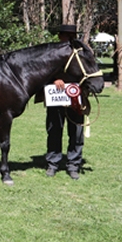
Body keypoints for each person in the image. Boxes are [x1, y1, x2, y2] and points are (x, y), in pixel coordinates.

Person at [35, 24, 85, 180]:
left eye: (72, 35)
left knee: (76, 133)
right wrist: (54, 79)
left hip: (76, 98)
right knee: (54, 130)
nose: (69, 38)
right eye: (66, 35)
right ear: (60, 36)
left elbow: (87, 71)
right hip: (55, 97)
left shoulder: (82, 53)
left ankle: (73, 164)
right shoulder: (51, 54)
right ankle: (53, 163)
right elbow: (41, 73)